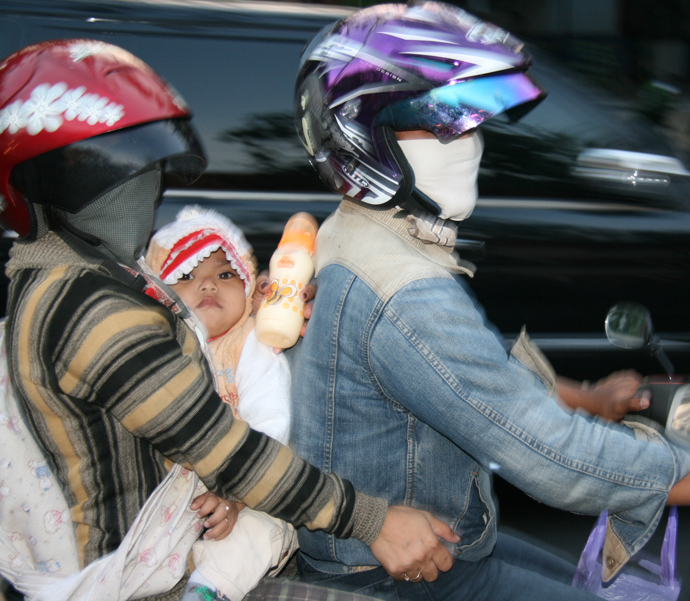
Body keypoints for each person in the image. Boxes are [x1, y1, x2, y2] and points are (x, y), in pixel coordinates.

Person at [288, 4, 690, 600]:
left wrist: (585, 397)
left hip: (443, 540)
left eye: (472, 125)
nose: (469, 144)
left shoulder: (356, 235)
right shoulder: (402, 289)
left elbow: (464, 375)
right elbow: (555, 460)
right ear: (366, 138)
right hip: (393, 574)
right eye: (444, 124)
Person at [0, 38, 458, 601]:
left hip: (183, 538)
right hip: (154, 581)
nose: (143, 195)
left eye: (149, 173)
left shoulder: (71, 271)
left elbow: (188, 332)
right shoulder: (88, 312)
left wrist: (260, 316)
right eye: (108, 175)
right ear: (41, 185)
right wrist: (375, 522)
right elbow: (226, 451)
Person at [145, 206, 299, 601]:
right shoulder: (155, 342)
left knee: (263, 527)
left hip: (250, 486)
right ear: (159, 292)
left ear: (249, 289)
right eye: (187, 275)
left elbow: (270, 423)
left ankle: (208, 590)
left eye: (225, 274)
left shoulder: (251, 346)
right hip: (177, 491)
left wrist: (236, 497)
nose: (209, 286)